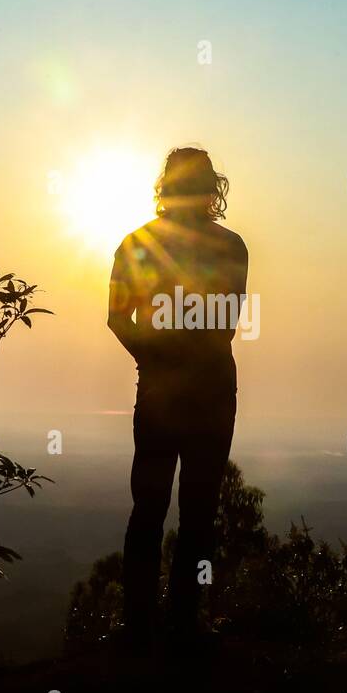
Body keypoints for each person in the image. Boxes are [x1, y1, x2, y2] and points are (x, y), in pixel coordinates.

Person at [107, 146, 248, 652]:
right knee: (189, 513)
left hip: (171, 391)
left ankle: (144, 626)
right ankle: (177, 625)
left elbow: (119, 319)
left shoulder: (137, 243)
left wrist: (153, 358)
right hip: (204, 390)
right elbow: (223, 324)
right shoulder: (230, 247)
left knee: (156, 508)